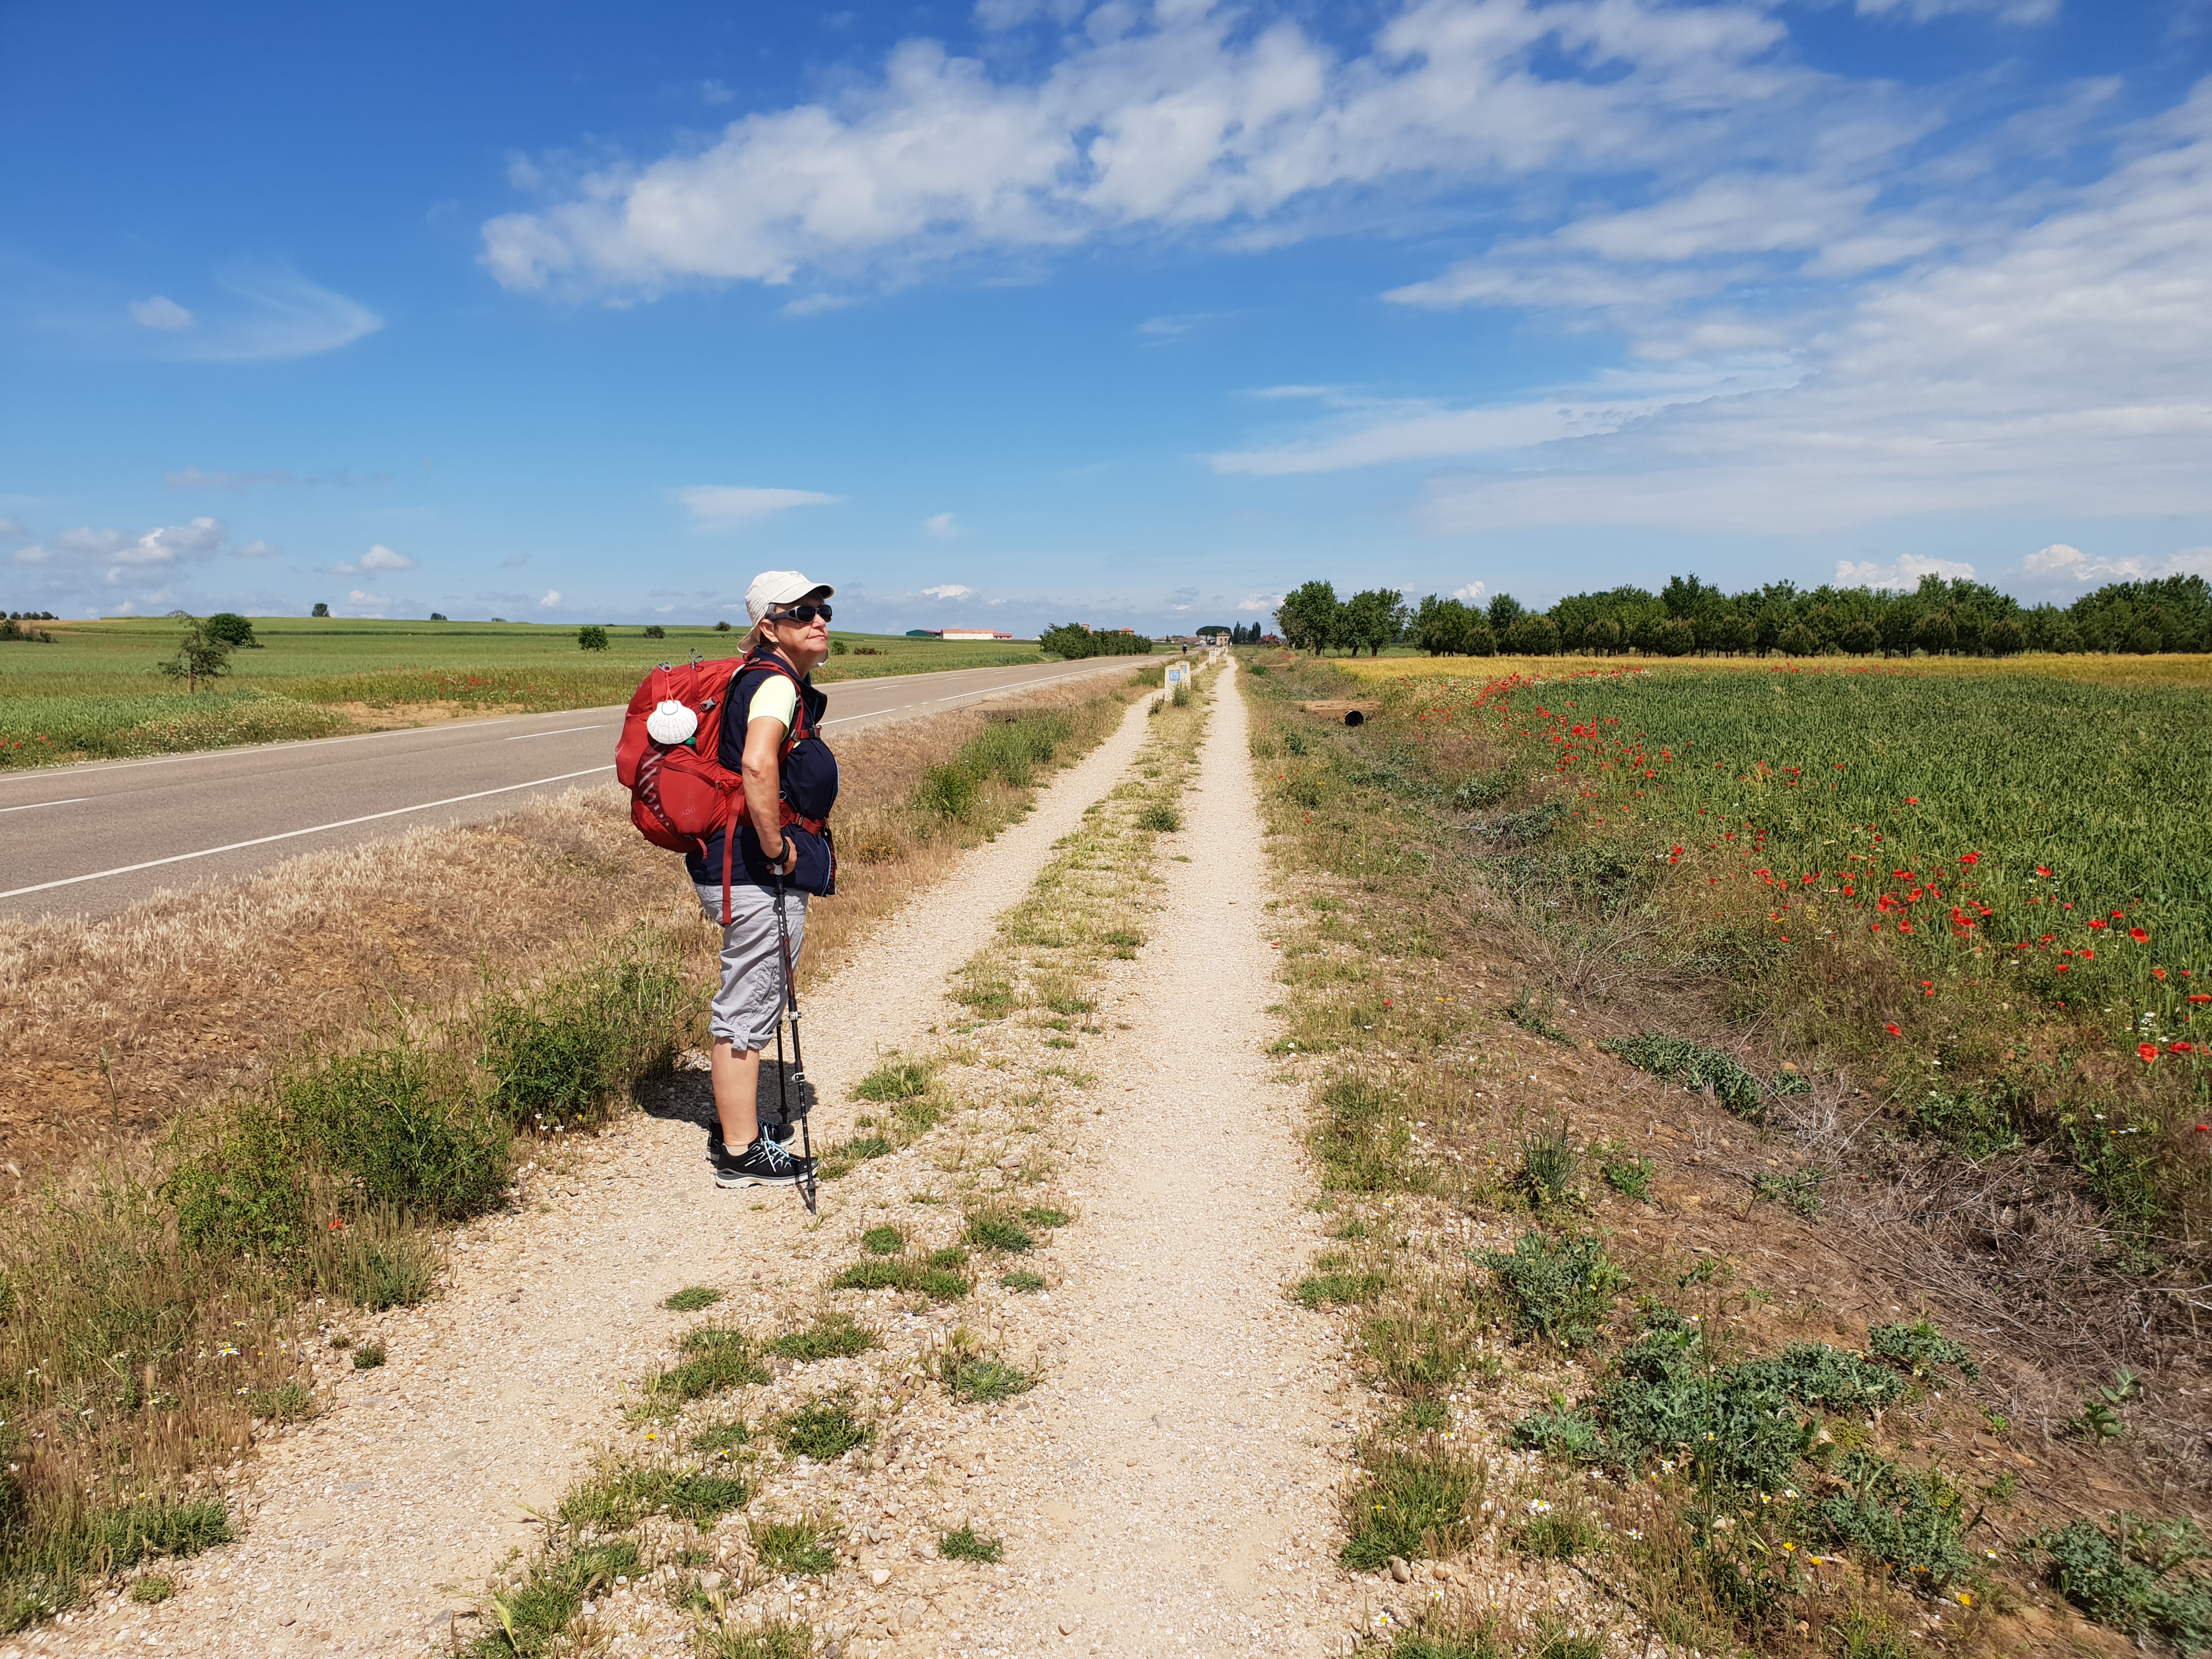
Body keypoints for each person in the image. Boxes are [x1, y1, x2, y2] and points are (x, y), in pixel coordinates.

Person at [689, 571, 840, 1188]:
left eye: (823, 610)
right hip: (751, 869)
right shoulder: (775, 685)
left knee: (755, 995)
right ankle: (740, 1152)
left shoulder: (767, 680)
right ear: (768, 627)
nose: (819, 621)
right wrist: (778, 847)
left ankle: (742, 1128)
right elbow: (757, 762)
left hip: (737, 865)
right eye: (802, 612)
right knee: (749, 1004)